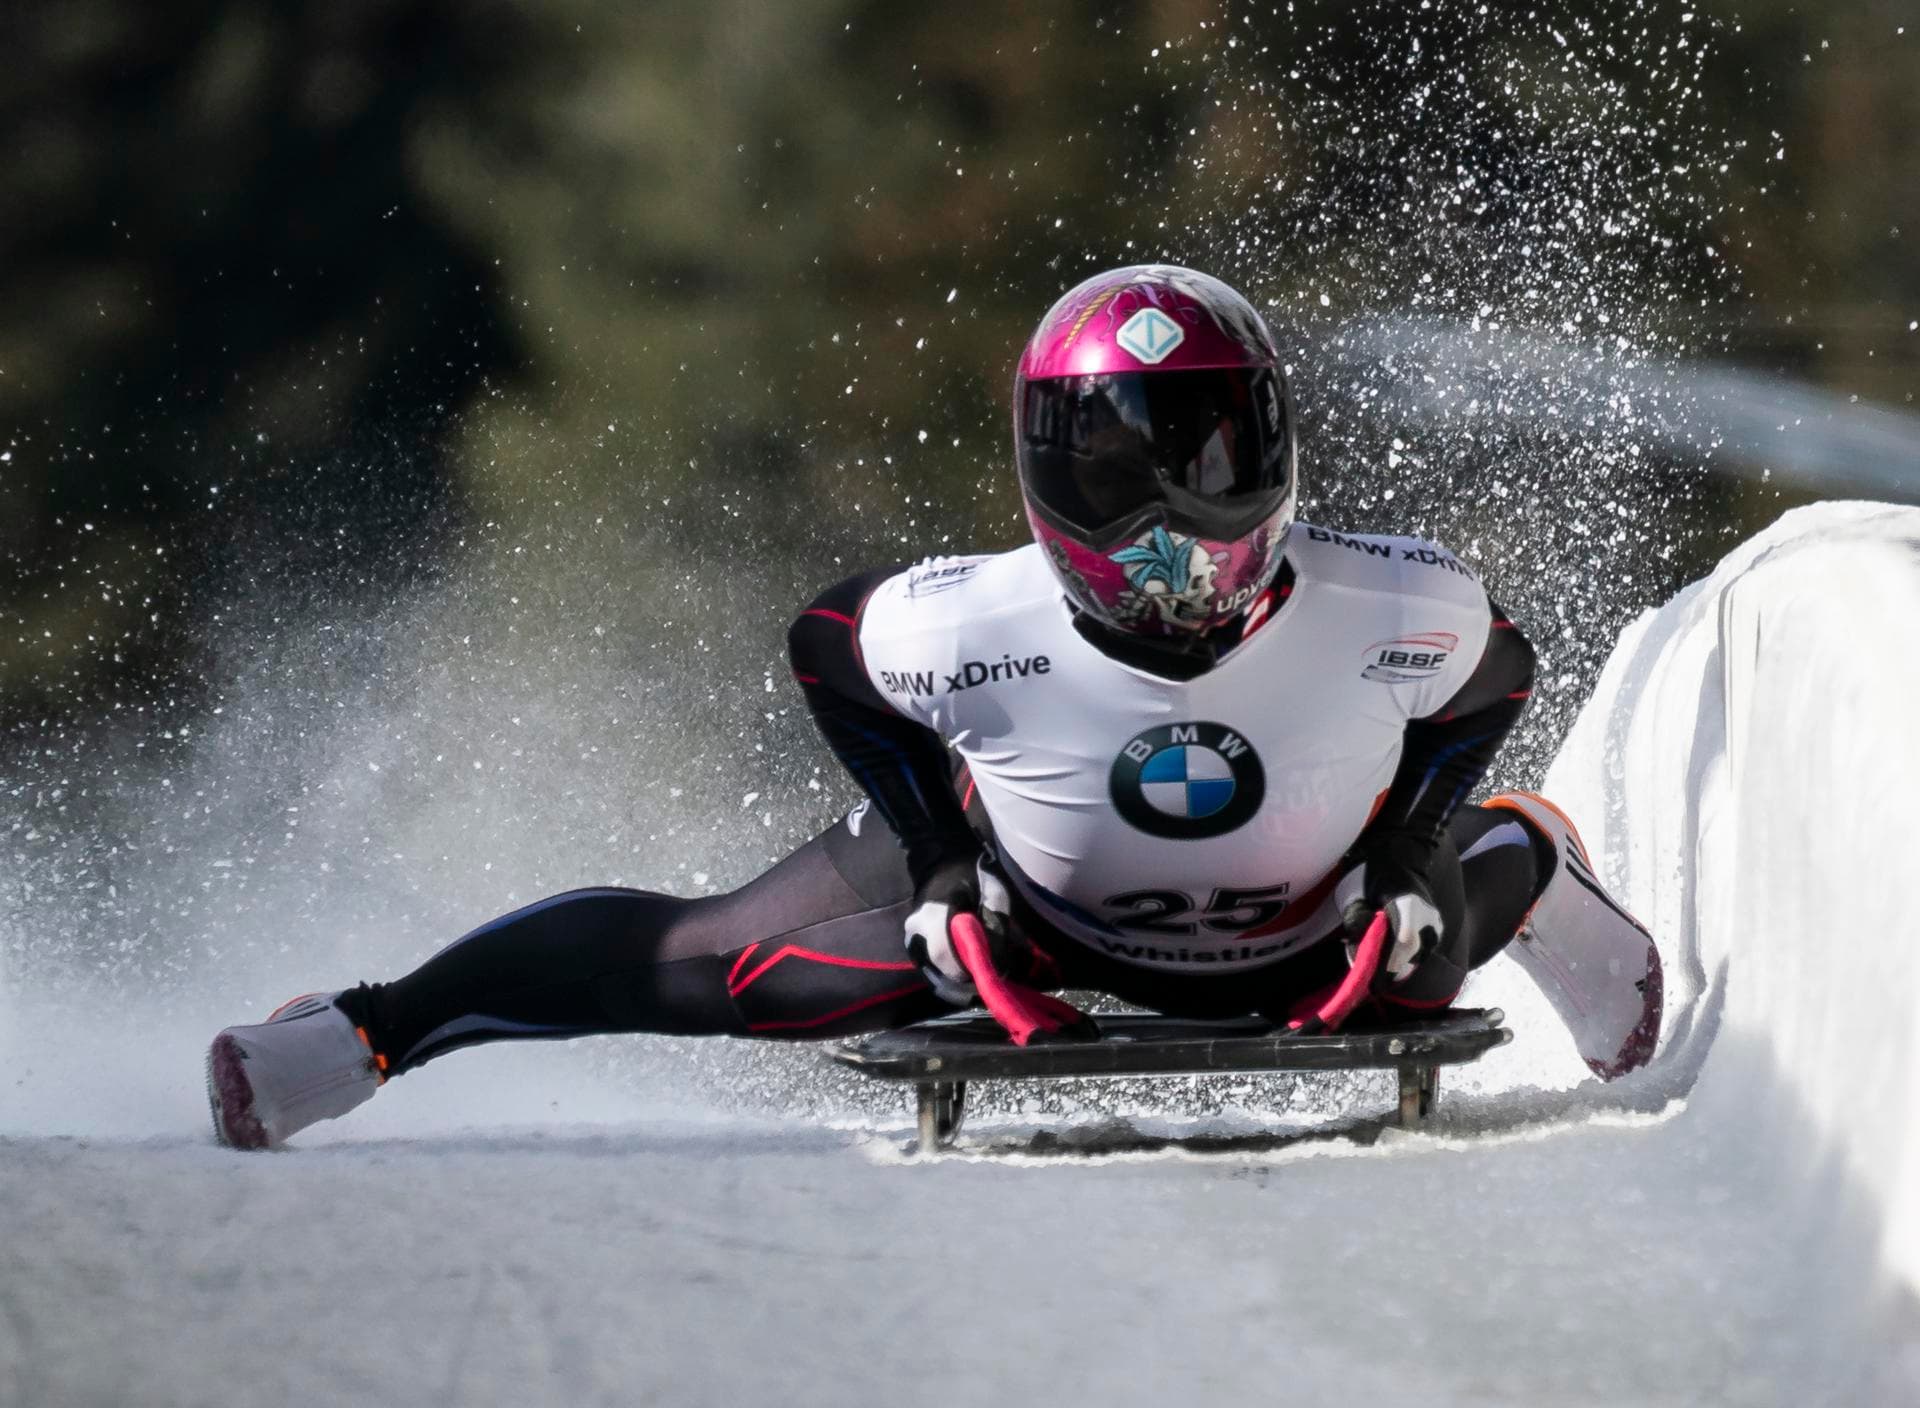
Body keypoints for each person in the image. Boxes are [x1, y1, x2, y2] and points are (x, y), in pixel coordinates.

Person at [205, 265, 1662, 1150]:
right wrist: (941, 859)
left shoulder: (1397, 601)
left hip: (1310, 933)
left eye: (1209, 463)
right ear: (1043, 480)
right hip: (1023, 922)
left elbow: (1497, 677)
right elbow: (829, 647)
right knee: (711, 967)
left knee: (1420, 961)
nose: (1169, 524)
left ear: (1274, 452)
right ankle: (364, 1033)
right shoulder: (962, 623)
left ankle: (1524, 858)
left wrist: (1407, 845)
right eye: (1115, 477)